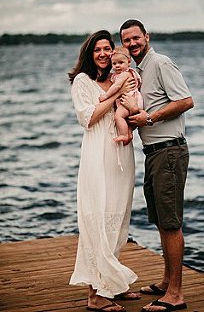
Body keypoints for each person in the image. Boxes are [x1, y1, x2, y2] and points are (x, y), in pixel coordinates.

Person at [118, 19, 194, 312]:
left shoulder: (161, 63)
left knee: (171, 222)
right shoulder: (136, 72)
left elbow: (186, 101)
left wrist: (149, 118)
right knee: (162, 220)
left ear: (146, 37)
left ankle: (175, 294)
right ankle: (165, 282)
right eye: (126, 40)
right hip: (153, 153)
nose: (132, 44)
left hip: (169, 152)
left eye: (136, 38)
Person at [68, 30, 141, 312]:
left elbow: (130, 112)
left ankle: (112, 285)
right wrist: (116, 96)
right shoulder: (82, 81)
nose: (103, 54)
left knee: (118, 219)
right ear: (90, 53)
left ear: (114, 52)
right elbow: (88, 118)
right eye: (97, 49)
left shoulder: (117, 78)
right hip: (97, 155)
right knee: (98, 219)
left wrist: (132, 108)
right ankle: (94, 294)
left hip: (121, 154)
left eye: (107, 49)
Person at [98, 46, 143, 145]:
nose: (117, 66)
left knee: (118, 116)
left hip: (128, 100)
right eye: (114, 63)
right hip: (133, 100)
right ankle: (129, 133)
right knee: (126, 119)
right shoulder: (127, 73)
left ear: (128, 62)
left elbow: (117, 86)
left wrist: (106, 96)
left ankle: (124, 135)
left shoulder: (125, 74)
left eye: (121, 63)